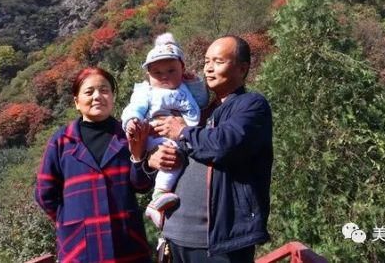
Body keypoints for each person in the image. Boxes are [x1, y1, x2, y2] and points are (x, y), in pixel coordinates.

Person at [150, 35, 273, 263]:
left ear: (242, 68)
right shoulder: (200, 111)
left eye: (218, 61)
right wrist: (152, 160)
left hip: (219, 243)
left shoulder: (251, 105)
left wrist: (183, 132)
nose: (209, 68)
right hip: (175, 236)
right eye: (206, 61)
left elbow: (223, 145)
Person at [35, 67, 153, 263]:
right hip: (80, 248)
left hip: (126, 242)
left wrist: (139, 155)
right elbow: (44, 193)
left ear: (113, 97)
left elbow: (142, 185)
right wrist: (70, 220)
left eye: (104, 90)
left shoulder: (128, 135)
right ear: (76, 102)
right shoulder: (62, 141)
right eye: (89, 92)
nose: (98, 96)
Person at [121, 33, 208, 228]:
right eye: (157, 73)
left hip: (183, 136)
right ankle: (159, 196)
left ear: (182, 69)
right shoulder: (147, 92)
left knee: (178, 157)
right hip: (158, 137)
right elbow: (134, 108)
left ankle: (161, 196)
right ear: (148, 75)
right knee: (171, 158)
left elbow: (201, 102)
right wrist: (132, 121)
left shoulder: (185, 88)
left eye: (171, 70)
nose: (165, 76)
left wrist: (194, 82)